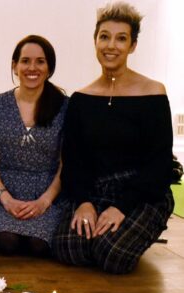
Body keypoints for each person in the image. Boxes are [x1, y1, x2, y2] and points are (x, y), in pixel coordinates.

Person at [53, 2, 174, 274]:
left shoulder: (153, 92)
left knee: (112, 256)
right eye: (104, 37)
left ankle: (142, 230)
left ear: (132, 46)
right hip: (96, 189)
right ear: (95, 41)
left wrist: (121, 207)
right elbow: (73, 158)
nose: (111, 46)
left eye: (121, 39)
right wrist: (84, 203)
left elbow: (159, 161)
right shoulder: (82, 99)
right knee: (67, 248)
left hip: (142, 190)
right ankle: (114, 233)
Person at [0, 35, 67, 257]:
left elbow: (66, 164)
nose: (32, 68)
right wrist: (5, 198)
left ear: (49, 68)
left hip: (48, 194)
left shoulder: (65, 106)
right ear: (15, 66)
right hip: (4, 191)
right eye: (25, 61)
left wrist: (44, 201)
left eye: (40, 61)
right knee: (7, 243)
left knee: (38, 246)